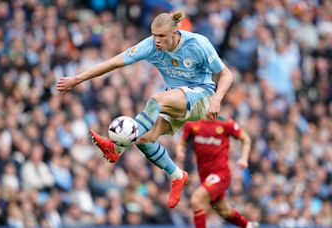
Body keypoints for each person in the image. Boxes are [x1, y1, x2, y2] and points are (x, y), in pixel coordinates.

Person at [56, 11, 233, 208]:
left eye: (162, 36)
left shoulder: (198, 44)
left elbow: (226, 74)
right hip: (176, 98)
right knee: (142, 139)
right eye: (154, 35)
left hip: (202, 96)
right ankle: (177, 175)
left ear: (175, 32)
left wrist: (217, 99)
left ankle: (116, 148)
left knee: (156, 100)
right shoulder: (150, 46)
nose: (156, 40)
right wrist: (77, 79)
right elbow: (114, 62)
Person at [176, 116, 258, 228]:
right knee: (224, 211)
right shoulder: (192, 124)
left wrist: (244, 158)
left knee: (196, 200)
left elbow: (246, 139)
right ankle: (248, 225)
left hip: (221, 174)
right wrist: (180, 151)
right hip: (205, 176)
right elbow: (182, 142)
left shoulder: (225, 123)